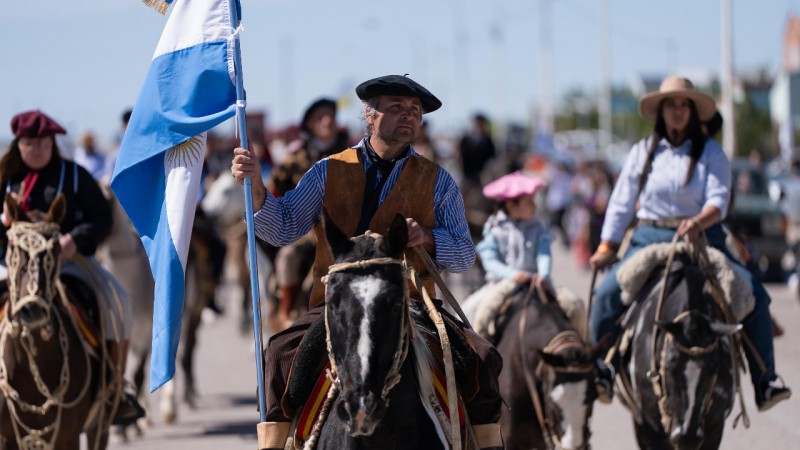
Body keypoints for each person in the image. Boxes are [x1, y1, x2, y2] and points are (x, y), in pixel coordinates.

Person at [232, 75, 503, 450]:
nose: (407, 116)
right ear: (369, 116)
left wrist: (427, 236)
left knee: (483, 359)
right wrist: (258, 192)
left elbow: (463, 253)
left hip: (411, 303)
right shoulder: (328, 170)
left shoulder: (438, 181)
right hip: (338, 304)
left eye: (414, 112)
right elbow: (284, 228)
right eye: (396, 108)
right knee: (279, 354)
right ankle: (273, 445)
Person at [588, 76, 791, 411]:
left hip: (702, 237)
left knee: (753, 293)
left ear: (693, 111)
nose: (678, 111)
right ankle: (601, 371)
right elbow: (622, 202)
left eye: (684, 105)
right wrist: (607, 245)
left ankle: (765, 379)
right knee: (607, 294)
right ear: (661, 111)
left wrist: (698, 221)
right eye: (671, 104)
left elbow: (719, 199)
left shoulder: (711, 152)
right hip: (650, 237)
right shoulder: (642, 152)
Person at [0, 110, 145, 425]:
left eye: (43, 142)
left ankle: (115, 388)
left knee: (116, 300)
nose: (36, 148)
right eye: (29, 142)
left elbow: (101, 219)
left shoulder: (76, 175)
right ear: (18, 144)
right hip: (13, 266)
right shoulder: (5, 178)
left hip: (69, 263)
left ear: (53, 142)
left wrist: (75, 241)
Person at [266, 98, 350, 331]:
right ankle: (288, 312)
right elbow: (273, 191)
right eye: (320, 117)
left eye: (331, 116)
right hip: (304, 232)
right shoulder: (294, 158)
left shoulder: (352, 153)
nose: (327, 121)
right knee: (287, 258)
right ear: (309, 124)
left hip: (346, 232)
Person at [476, 171, 552, 286]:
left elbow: (543, 253)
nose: (535, 206)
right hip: (500, 284)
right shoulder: (494, 228)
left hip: (533, 282)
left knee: (570, 302)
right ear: (511, 206)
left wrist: (543, 274)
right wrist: (512, 274)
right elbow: (489, 260)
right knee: (474, 304)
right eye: (529, 202)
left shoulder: (538, 227)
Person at [459, 113, 497, 185]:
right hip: (467, 173)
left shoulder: (487, 140)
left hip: (482, 174)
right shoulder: (466, 138)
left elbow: (492, 157)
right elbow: (461, 154)